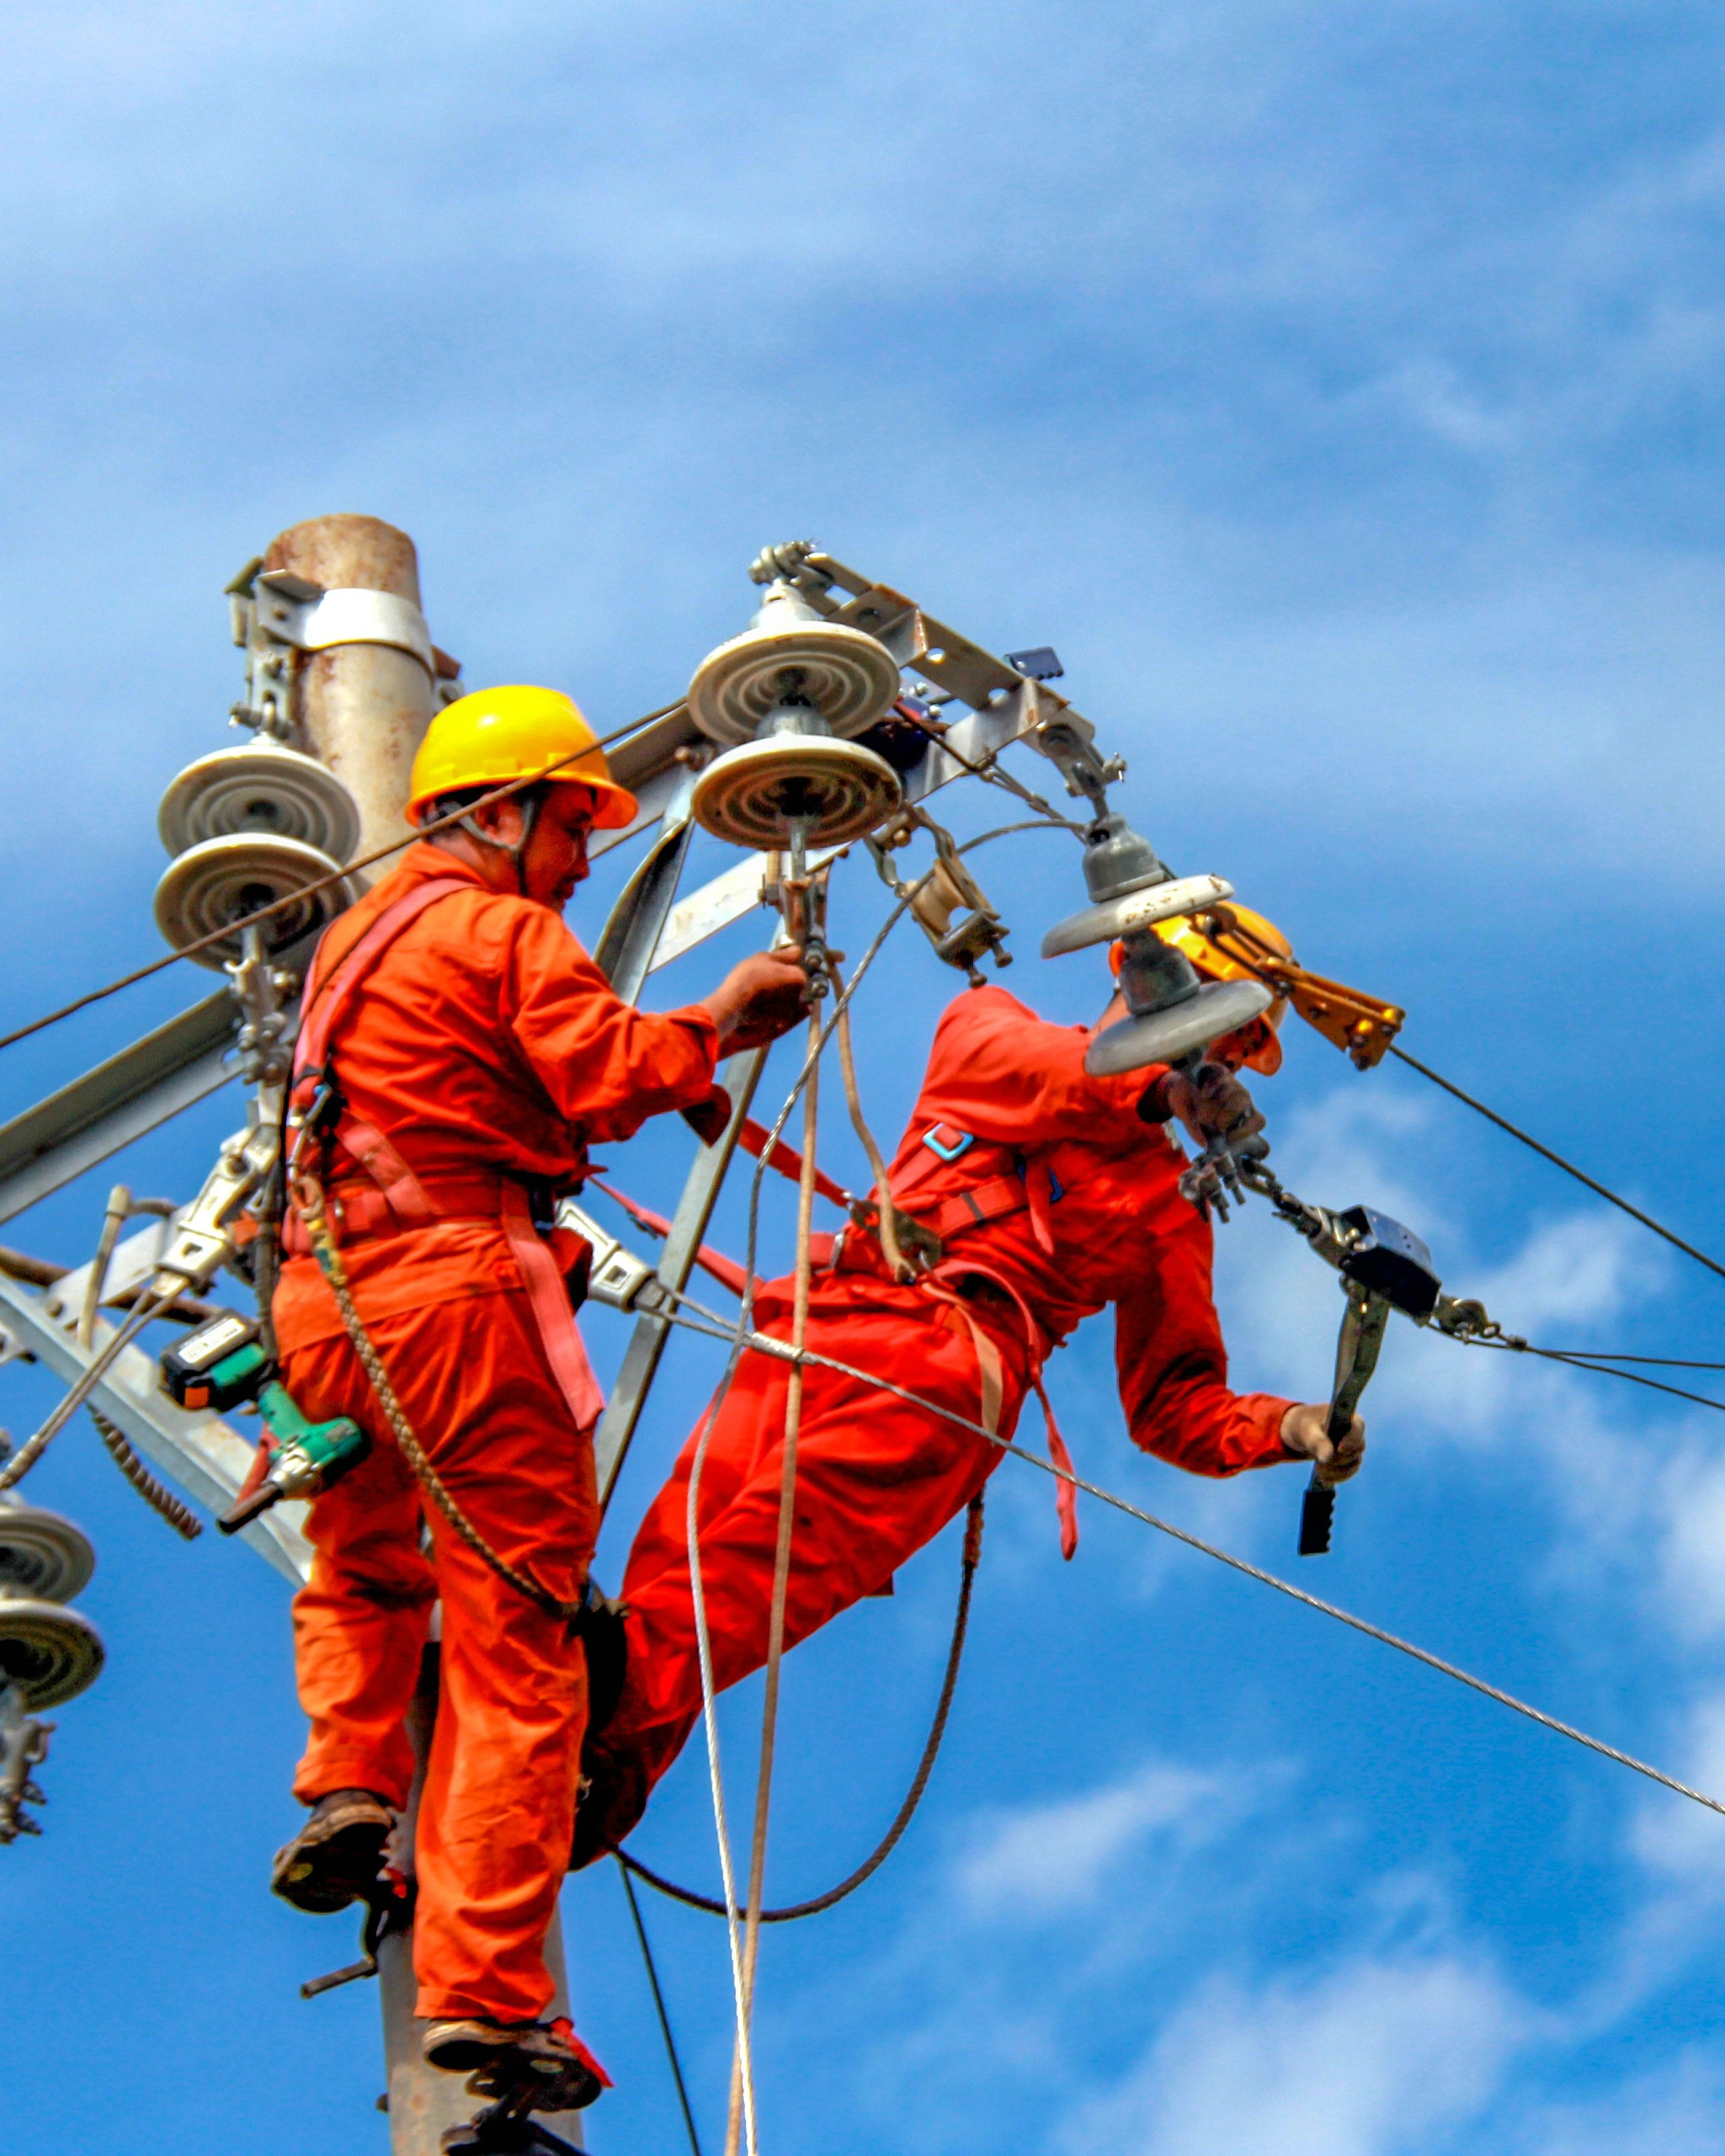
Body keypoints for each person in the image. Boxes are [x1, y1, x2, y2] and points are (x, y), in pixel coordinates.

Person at [266, 683, 808, 2110]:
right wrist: (727, 1016)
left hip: (322, 1302)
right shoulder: (500, 926)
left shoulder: (347, 952)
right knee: (520, 1654)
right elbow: (604, 1070)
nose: (580, 861)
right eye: (572, 826)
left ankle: (349, 1786)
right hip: (460, 1293)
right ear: (496, 813)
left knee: (365, 1566)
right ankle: (493, 2007)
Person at [578, 904, 1366, 1859]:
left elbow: (1174, 1405)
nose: (1223, 1064)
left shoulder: (1171, 1209)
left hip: (952, 1369)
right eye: (1214, 1030)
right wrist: (1156, 1088)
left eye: (1236, 1049)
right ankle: (581, 1783)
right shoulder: (988, 1024)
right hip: (823, 1319)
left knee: (752, 1576)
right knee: (672, 1571)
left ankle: (576, 1739)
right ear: (1140, 977)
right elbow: (1039, 1079)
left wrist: (1290, 1426)